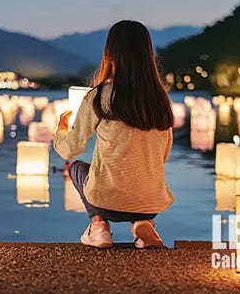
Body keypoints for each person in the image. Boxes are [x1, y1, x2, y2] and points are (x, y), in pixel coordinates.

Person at [54, 20, 174, 249]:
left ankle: (99, 227)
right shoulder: (160, 100)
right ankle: (143, 223)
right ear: (147, 54)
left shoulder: (100, 96)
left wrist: (61, 128)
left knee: (77, 167)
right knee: (142, 172)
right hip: (152, 202)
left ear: (110, 53)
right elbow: (163, 155)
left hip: (107, 201)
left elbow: (69, 149)